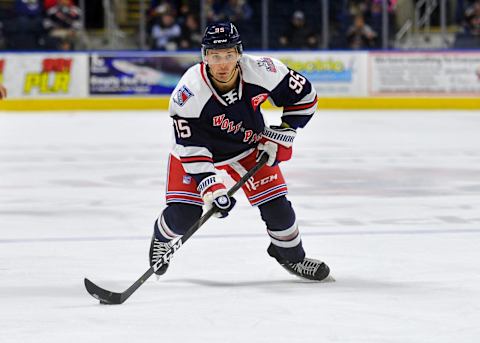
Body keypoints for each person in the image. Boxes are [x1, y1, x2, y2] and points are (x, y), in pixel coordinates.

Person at [149, 22, 331, 282]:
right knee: (184, 216)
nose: (222, 64)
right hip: (198, 153)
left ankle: (291, 256)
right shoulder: (188, 92)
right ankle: (161, 237)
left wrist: (286, 131)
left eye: (229, 55)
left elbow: (305, 97)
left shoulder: (263, 71)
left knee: (279, 209)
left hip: (248, 147)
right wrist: (212, 187)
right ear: (205, 56)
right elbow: (191, 148)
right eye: (215, 56)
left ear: (239, 54)